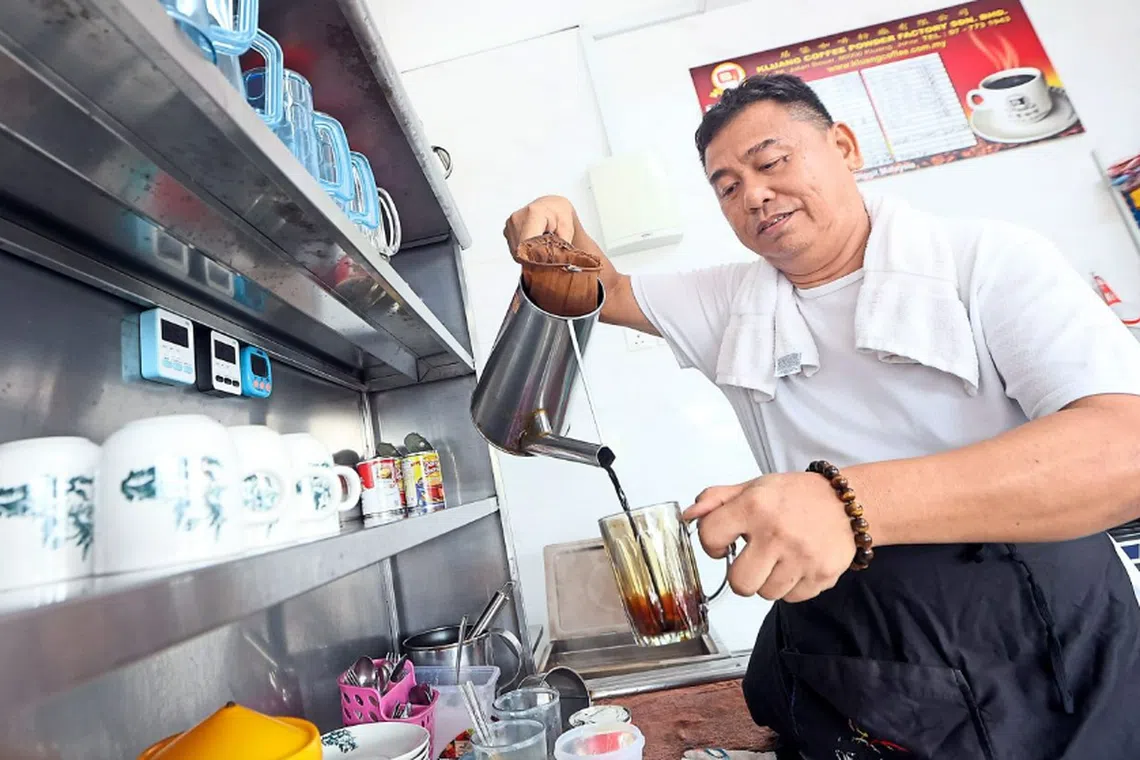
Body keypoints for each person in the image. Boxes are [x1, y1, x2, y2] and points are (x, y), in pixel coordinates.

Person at [503, 74, 1140, 758]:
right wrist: (558, 223)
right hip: (857, 635)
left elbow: (1123, 449)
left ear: (844, 146)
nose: (753, 194)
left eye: (771, 162)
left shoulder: (986, 261)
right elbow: (601, 286)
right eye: (726, 186)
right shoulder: (733, 302)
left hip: (1031, 629)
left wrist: (846, 502)